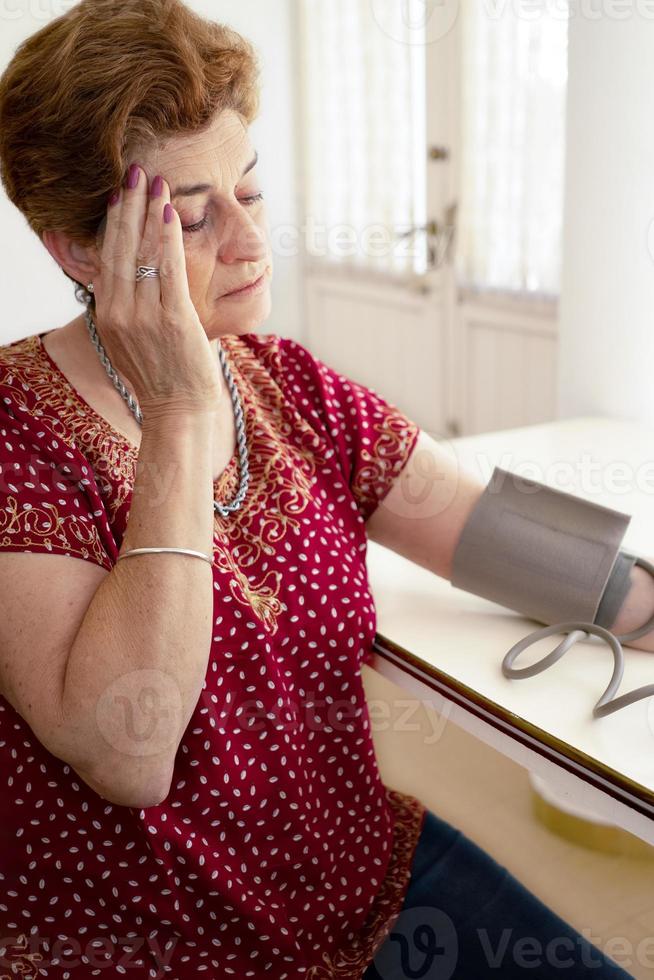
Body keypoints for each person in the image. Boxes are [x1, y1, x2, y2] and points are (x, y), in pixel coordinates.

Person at [0, 1, 635, 977]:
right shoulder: (16, 432)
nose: (252, 243)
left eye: (249, 191)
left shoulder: (283, 380)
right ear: (76, 250)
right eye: (196, 218)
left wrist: (641, 599)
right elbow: (126, 751)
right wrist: (176, 413)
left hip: (364, 883)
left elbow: (488, 529)